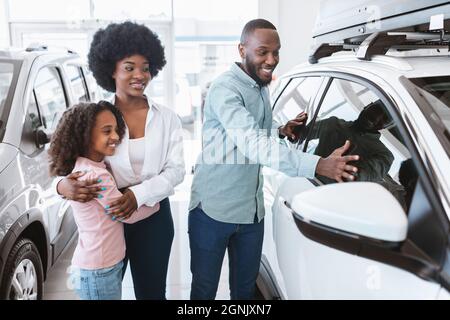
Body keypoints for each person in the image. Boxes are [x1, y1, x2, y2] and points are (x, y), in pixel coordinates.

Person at [188, 19, 360, 300]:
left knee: (245, 292)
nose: (271, 60)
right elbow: (253, 144)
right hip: (213, 211)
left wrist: (279, 130)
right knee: (204, 292)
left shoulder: (259, 85)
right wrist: (319, 164)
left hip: (252, 212)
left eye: (276, 52)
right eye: (263, 52)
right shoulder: (225, 89)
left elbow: (249, 134)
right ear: (242, 50)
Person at [55, 22, 185, 300]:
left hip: (153, 220)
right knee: (105, 291)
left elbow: (176, 171)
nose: (140, 75)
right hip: (107, 222)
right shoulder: (94, 117)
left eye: (145, 67)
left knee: (152, 294)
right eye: (129, 67)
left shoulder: (167, 118)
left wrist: (138, 195)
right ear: (111, 70)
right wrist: (61, 186)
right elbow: (68, 158)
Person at [48, 101, 160, 300]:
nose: (116, 137)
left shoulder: (90, 166)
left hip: (97, 265)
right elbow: (126, 214)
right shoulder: (97, 176)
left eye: (116, 130)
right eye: (107, 131)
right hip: (99, 269)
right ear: (85, 135)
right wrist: (156, 204)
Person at [306, 100, 395, 184]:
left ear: (386, 126)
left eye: (385, 118)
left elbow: (366, 174)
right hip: (304, 179)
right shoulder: (332, 124)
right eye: (377, 109)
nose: (376, 117)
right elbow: (299, 135)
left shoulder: (383, 154)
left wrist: (353, 173)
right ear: (368, 106)